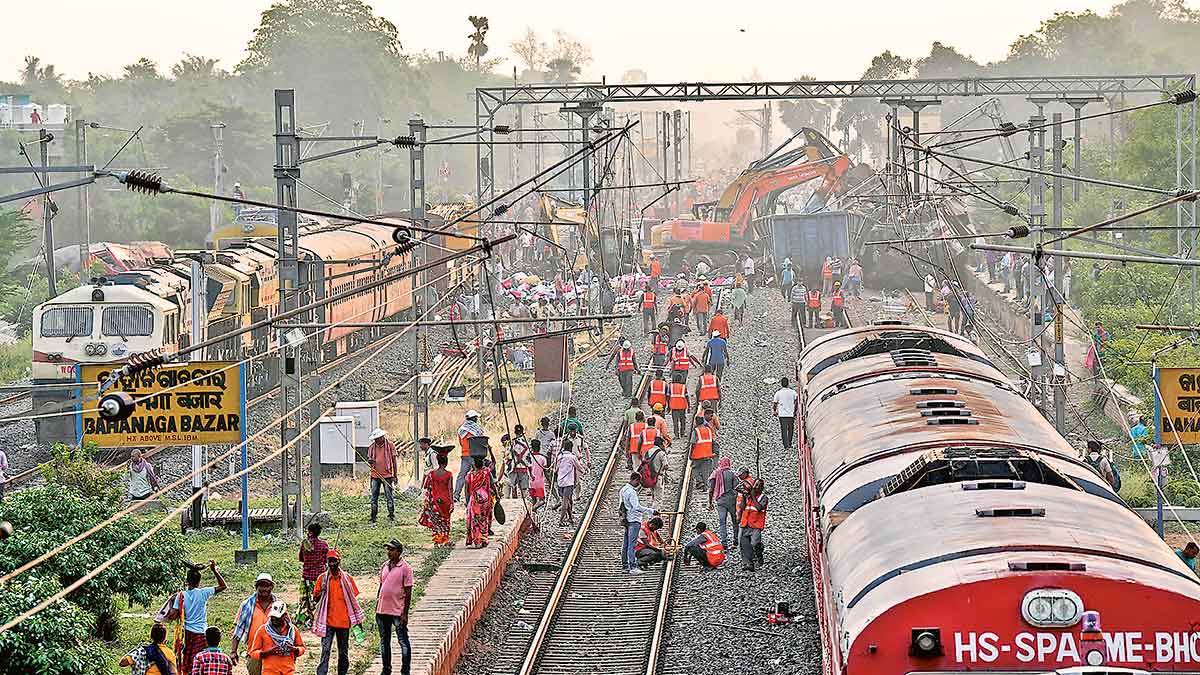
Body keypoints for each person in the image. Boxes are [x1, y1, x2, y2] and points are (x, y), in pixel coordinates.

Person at [169, 560, 227, 675]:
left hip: (188, 634)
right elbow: (223, 586)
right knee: (202, 663)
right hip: (202, 633)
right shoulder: (203, 593)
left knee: (189, 663)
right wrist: (214, 570)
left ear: (187, 581)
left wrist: (172, 601)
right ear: (199, 581)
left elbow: (172, 615)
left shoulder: (181, 596)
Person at [312, 550, 363, 675]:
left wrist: (356, 621)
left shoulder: (347, 579)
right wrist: (322, 590)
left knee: (343, 652)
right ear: (327, 562)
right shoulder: (322, 579)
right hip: (327, 621)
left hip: (344, 622)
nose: (332, 563)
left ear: (339, 561)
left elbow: (352, 600)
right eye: (330, 561)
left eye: (334, 560)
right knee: (325, 650)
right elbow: (315, 598)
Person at [377, 540, 414, 675]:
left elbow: (408, 592)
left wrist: (405, 613)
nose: (389, 552)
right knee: (384, 641)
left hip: (398, 610)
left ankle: (405, 670)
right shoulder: (384, 566)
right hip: (382, 610)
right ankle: (386, 668)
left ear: (399, 552)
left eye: (392, 550)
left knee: (402, 640)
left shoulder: (405, 568)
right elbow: (381, 586)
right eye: (388, 550)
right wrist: (378, 604)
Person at [231, 573, 276, 674]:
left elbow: (287, 628)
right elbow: (238, 630)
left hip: (274, 653)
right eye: (261, 585)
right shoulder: (246, 605)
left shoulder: (278, 604)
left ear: (271, 587)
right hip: (254, 652)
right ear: (256, 587)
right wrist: (233, 652)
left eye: (267, 585)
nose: (264, 588)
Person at [248, 601, 304, 675]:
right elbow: (253, 652)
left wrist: (294, 649)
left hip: (288, 670)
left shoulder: (292, 630)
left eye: (277, 617)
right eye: (272, 617)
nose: (274, 619)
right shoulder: (263, 630)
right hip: (269, 671)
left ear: (284, 616)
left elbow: (302, 648)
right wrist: (268, 652)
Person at [619, 472, 658, 575]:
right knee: (632, 544)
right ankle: (632, 567)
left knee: (626, 543)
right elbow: (637, 507)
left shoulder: (623, 490)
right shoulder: (631, 492)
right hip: (634, 520)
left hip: (627, 519)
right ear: (635, 479)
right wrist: (651, 511)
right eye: (638, 481)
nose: (639, 484)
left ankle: (624, 566)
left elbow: (621, 506)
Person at [298, 523, 329, 628]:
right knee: (319, 599)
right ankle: (319, 618)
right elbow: (326, 560)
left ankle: (304, 618)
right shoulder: (323, 545)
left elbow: (301, 559)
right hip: (320, 577)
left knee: (305, 600)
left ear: (310, 532)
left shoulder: (305, 544)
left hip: (307, 576)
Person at [419, 451, 453, 546]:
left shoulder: (431, 474)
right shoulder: (449, 474)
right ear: (446, 463)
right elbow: (450, 489)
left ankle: (437, 541)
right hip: (445, 500)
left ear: (438, 462)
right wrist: (452, 503)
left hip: (434, 501)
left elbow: (426, 486)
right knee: (445, 521)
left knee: (436, 521)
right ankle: (444, 540)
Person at [708, 457, 739, 550]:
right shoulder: (732, 474)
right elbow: (737, 488)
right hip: (732, 501)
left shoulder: (716, 473)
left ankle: (724, 542)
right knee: (735, 521)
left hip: (721, 501)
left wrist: (710, 502)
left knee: (722, 522)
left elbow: (711, 490)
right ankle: (736, 540)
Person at [738, 479, 769, 572]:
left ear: (762, 488)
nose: (756, 487)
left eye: (759, 486)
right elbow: (742, 507)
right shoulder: (747, 496)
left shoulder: (763, 498)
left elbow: (759, 508)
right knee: (744, 544)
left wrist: (752, 496)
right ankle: (748, 564)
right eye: (755, 485)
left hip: (756, 525)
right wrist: (744, 496)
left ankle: (759, 552)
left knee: (754, 543)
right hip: (745, 524)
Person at [367, 428, 396, 523]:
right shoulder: (371, 447)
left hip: (387, 475)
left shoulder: (390, 446)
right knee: (374, 497)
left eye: (377, 439)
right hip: (375, 475)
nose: (376, 441)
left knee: (389, 497)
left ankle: (391, 515)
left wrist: (394, 475)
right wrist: (370, 461)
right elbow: (369, 459)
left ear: (382, 437)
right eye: (374, 439)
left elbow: (394, 461)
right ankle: (373, 516)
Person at [454, 410, 484, 502]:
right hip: (475, 456)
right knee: (478, 475)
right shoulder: (477, 429)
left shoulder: (461, 429)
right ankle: (478, 494)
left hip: (465, 455)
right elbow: (481, 442)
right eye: (476, 418)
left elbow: (461, 443)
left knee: (462, 475)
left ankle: (456, 495)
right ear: (474, 418)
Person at [556, 439, 587, 526]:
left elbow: (556, 469)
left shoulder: (559, 456)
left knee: (568, 500)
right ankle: (561, 521)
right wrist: (584, 471)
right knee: (565, 502)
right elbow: (579, 467)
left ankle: (570, 518)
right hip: (568, 482)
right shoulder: (572, 457)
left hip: (560, 482)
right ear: (571, 447)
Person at [465, 456, 494, 548]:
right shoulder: (486, 473)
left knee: (475, 520)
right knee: (483, 519)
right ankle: (484, 538)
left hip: (475, 500)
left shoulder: (470, 475)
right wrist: (497, 494)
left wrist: (467, 501)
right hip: (485, 499)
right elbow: (492, 484)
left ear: (474, 465)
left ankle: (477, 541)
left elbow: (467, 490)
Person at [689, 415, 717, 491]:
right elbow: (713, 441)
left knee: (695, 468)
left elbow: (693, 443)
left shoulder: (696, 431)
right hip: (708, 453)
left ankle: (700, 481)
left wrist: (691, 454)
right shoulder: (708, 429)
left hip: (698, 454)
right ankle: (706, 486)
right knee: (706, 471)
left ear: (696, 422)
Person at [505, 425, 531, 500]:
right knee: (524, 490)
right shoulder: (527, 443)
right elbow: (529, 458)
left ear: (515, 432)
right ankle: (523, 504)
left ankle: (515, 503)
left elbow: (507, 457)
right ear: (522, 432)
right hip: (524, 468)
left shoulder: (511, 443)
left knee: (513, 487)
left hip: (514, 468)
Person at [773, 377, 798, 449]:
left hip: (782, 415)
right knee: (790, 429)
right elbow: (797, 399)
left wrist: (774, 411)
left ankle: (785, 445)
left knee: (783, 430)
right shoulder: (792, 392)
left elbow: (775, 403)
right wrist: (795, 409)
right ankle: (789, 443)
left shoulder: (778, 393)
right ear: (788, 384)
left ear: (781, 384)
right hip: (791, 413)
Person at [528, 439, 548, 512]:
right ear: (539, 447)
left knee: (534, 500)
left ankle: (533, 516)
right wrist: (549, 479)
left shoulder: (529, 457)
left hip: (531, 482)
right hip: (539, 482)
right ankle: (532, 510)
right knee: (542, 500)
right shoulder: (543, 458)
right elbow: (545, 471)